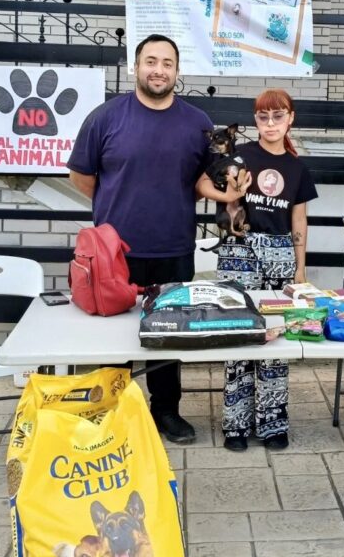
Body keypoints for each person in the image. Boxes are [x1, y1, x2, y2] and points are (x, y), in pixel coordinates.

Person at [67, 34, 246, 445]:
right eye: (151, 61)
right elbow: (81, 175)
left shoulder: (196, 123)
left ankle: (166, 411)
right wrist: (117, 204)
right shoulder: (105, 118)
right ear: (136, 66)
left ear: (177, 72)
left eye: (167, 63)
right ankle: (110, 415)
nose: (158, 69)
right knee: (113, 341)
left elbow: (202, 178)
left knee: (169, 334)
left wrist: (227, 194)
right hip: (114, 254)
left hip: (173, 247)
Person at [204, 88, 318, 451]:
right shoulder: (241, 155)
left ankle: (272, 423)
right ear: (255, 120)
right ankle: (235, 423)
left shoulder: (297, 167)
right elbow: (204, 182)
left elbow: (299, 217)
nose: (271, 123)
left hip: (281, 254)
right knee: (237, 333)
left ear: (290, 119)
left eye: (278, 116)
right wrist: (230, 197)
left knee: (276, 337)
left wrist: (300, 268)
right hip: (239, 254)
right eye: (263, 116)